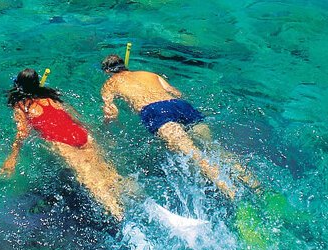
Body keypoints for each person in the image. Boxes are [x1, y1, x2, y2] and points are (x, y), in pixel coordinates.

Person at [100, 55, 258, 199]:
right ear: (124, 65)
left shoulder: (109, 84)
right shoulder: (149, 74)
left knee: (195, 155)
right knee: (213, 148)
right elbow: (175, 92)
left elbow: (111, 112)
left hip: (154, 111)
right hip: (180, 106)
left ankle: (233, 195)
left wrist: (106, 129)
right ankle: (255, 184)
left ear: (107, 71)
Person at [0, 68, 129, 220]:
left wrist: (12, 157)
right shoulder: (52, 98)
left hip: (63, 142)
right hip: (82, 134)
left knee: (91, 180)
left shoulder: (21, 105)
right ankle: (135, 194)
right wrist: (98, 134)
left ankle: (118, 216)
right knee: (108, 172)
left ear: (19, 86)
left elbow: (22, 133)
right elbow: (76, 117)